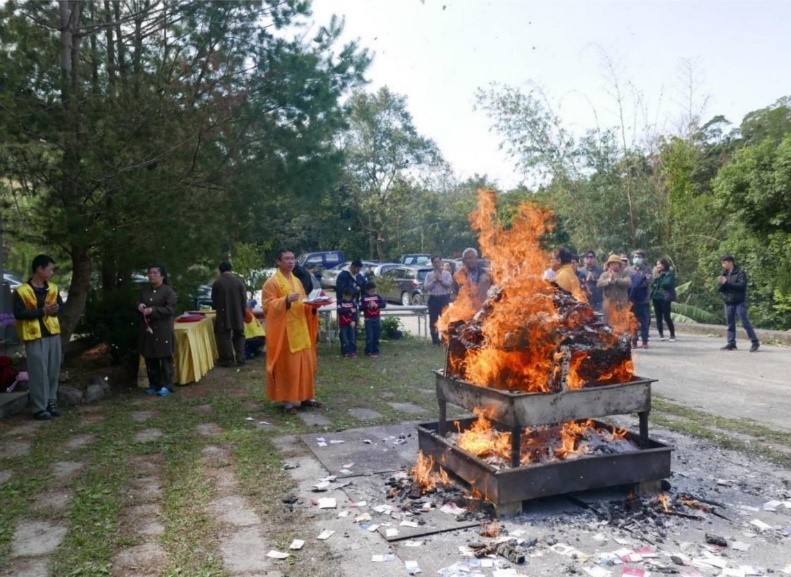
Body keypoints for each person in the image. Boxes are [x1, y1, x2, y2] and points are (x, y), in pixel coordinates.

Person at [263, 248, 322, 414]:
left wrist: (314, 306)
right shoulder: (272, 282)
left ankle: (306, 397)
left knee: (306, 365)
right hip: (285, 332)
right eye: (287, 259)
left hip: (301, 329)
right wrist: (285, 301)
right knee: (288, 367)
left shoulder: (297, 281)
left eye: (293, 258)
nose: (291, 261)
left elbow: (304, 303)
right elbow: (267, 306)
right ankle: (288, 401)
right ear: (278, 262)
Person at [13, 254, 64, 420]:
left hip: (53, 334)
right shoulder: (21, 291)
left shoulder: (53, 288)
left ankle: (51, 402)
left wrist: (56, 309)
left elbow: (60, 308)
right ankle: (39, 408)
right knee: (38, 372)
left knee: (53, 370)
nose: (52, 272)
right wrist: (42, 311)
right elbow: (19, 314)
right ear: (39, 269)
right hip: (34, 336)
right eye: (50, 269)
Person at [137, 264, 177, 396]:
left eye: (154, 273)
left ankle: (167, 385)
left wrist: (153, 310)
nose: (151, 275)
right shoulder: (145, 291)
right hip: (148, 329)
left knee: (165, 358)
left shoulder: (168, 291)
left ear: (162, 276)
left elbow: (170, 310)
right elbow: (138, 302)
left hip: (163, 329)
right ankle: (154, 384)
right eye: (149, 273)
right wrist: (140, 306)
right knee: (150, 357)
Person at [717, 255, 760, 352]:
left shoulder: (740, 273)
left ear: (730, 262)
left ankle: (755, 342)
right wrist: (721, 283)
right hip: (728, 302)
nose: (723, 265)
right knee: (730, 324)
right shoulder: (725, 273)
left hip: (739, 302)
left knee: (745, 322)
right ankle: (731, 343)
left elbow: (742, 286)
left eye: (724, 263)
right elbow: (722, 289)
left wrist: (727, 282)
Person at [211, 261, 247, 367]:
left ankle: (227, 359)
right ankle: (240, 357)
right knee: (239, 334)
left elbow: (214, 299)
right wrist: (242, 312)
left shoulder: (217, 283)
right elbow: (244, 298)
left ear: (220, 270)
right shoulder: (238, 282)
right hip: (237, 312)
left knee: (224, 336)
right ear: (230, 269)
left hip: (223, 313)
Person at [424, 255, 454, 345]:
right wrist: (434, 281)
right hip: (433, 299)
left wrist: (440, 280)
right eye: (434, 262)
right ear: (432, 264)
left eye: (438, 262)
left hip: (444, 298)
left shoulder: (447, 274)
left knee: (445, 320)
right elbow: (426, 287)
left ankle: (444, 339)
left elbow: (449, 284)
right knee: (433, 321)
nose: (437, 264)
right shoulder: (429, 275)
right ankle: (435, 340)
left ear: (441, 262)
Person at [597, 254, 632, 329]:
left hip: (622, 303)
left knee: (622, 324)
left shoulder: (624, 273)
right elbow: (599, 284)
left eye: (616, 263)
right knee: (609, 324)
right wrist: (608, 281)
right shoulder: (605, 274)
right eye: (612, 263)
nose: (614, 265)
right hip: (609, 303)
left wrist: (616, 280)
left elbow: (628, 282)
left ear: (619, 265)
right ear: (609, 265)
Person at [627, 250, 652, 349]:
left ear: (643, 258)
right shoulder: (628, 270)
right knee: (632, 322)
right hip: (631, 300)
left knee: (644, 322)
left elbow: (648, 281)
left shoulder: (647, 270)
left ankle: (645, 341)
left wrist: (643, 279)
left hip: (643, 300)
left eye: (639, 257)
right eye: (635, 256)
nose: (637, 258)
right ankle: (634, 341)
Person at [651, 258, 677, 342]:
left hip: (665, 298)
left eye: (660, 264)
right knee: (658, 317)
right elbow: (652, 285)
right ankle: (661, 334)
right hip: (656, 297)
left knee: (666, 317)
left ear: (664, 264)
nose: (658, 266)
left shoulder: (669, 274)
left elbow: (666, 284)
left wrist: (658, 279)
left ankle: (672, 334)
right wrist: (656, 278)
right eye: (657, 264)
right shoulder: (656, 274)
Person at [361, 281, 386, 357]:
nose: (373, 292)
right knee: (370, 336)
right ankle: (368, 351)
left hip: (376, 318)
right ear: (367, 291)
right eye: (371, 291)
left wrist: (377, 305)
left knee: (376, 335)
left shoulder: (378, 297)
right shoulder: (364, 298)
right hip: (368, 319)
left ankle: (375, 350)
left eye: (374, 291)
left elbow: (383, 304)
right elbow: (360, 307)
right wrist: (368, 306)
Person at [337, 288, 358, 358]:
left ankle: (353, 351)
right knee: (344, 338)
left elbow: (355, 313)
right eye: (348, 297)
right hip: (343, 324)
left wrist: (354, 320)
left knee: (352, 338)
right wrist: (349, 310)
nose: (349, 298)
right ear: (344, 295)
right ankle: (345, 352)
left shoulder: (353, 303)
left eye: (350, 297)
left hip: (351, 323)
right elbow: (340, 311)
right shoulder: (340, 302)